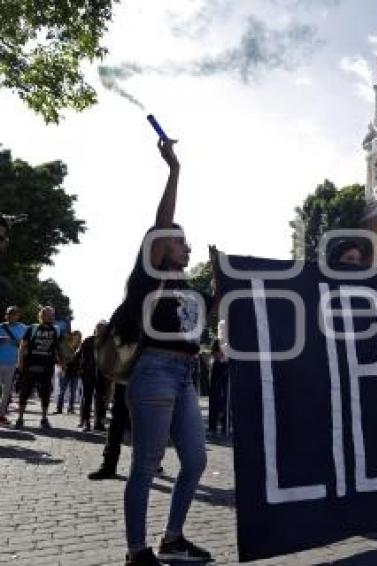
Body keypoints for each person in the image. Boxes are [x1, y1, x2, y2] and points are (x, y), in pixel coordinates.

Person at [112, 139, 214, 565]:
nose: (186, 247)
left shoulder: (185, 290)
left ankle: (173, 538)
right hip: (152, 372)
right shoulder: (150, 277)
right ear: (162, 247)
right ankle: (138, 551)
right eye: (180, 242)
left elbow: (204, 323)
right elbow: (163, 222)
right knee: (147, 463)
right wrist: (174, 169)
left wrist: (226, 283)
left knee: (194, 460)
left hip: (183, 375)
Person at [14, 306, 62, 429]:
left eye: (53, 315)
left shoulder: (56, 330)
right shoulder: (33, 328)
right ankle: (20, 418)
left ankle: (44, 419)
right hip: (30, 365)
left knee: (45, 393)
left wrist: (61, 362)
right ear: (42, 316)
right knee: (25, 392)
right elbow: (22, 346)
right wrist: (20, 362)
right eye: (49, 315)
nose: (52, 317)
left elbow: (58, 348)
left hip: (47, 367)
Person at [76, 322, 107, 432]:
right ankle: (86, 422)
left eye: (103, 329)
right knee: (87, 399)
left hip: (103, 375)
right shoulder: (88, 341)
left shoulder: (108, 343)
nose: (101, 331)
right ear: (95, 329)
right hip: (88, 374)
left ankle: (99, 423)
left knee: (101, 400)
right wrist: (80, 369)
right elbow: (79, 356)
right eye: (99, 329)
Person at [0, 305, 27, 424]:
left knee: (6, 392)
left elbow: (28, 344)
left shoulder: (24, 328)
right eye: (10, 314)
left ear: (18, 316)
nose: (12, 316)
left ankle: (1, 415)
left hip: (12, 364)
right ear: (6, 315)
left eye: (14, 314)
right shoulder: (1, 327)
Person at [55, 330, 82, 414]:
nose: (77, 338)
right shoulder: (64, 345)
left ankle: (71, 408)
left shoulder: (80, 347)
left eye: (79, 337)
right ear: (72, 336)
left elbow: (81, 359)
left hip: (75, 371)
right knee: (62, 390)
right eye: (75, 336)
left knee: (73, 392)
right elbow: (60, 356)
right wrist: (61, 364)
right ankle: (59, 408)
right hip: (65, 369)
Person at [207, 340, 229, 436]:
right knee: (219, 403)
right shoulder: (217, 362)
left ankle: (220, 426)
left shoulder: (217, 361)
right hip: (218, 382)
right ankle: (220, 426)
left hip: (218, 381)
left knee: (221, 403)